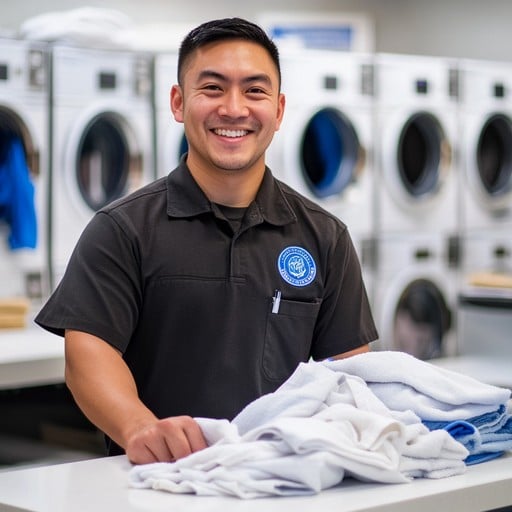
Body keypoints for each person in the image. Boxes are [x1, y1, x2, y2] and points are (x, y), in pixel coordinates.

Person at [35, 17, 378, 465]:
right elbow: (87, 355)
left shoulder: (324, 236)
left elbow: (349, 375)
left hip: (282, 480)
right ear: (179, 103)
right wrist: (140, 428)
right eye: (212, 88)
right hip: (161, 480)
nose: (234, 109)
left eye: (254, 91)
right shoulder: (122, 229)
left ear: (278, 110)